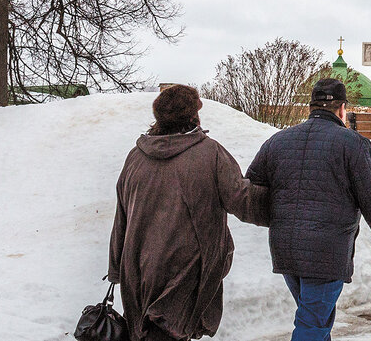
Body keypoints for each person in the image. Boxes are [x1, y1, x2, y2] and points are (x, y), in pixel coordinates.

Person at [246, 78, 371, 341]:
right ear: (342, 109)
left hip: (285, 248)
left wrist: (280, 219)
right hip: (325, 251)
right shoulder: (353, 144)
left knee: (314, 319)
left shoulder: (277, 142)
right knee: (313, 324)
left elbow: (251, 189)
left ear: (310, 107)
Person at [108, 85, 270, 341]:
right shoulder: (210, 153)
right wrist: (288, 205)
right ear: (194, 116)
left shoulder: (135, 157)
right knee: (169, 332)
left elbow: (122, 216)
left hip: (138, 268)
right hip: (185, 269)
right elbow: (243, 200)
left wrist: (118, 268)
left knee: (146, 334)